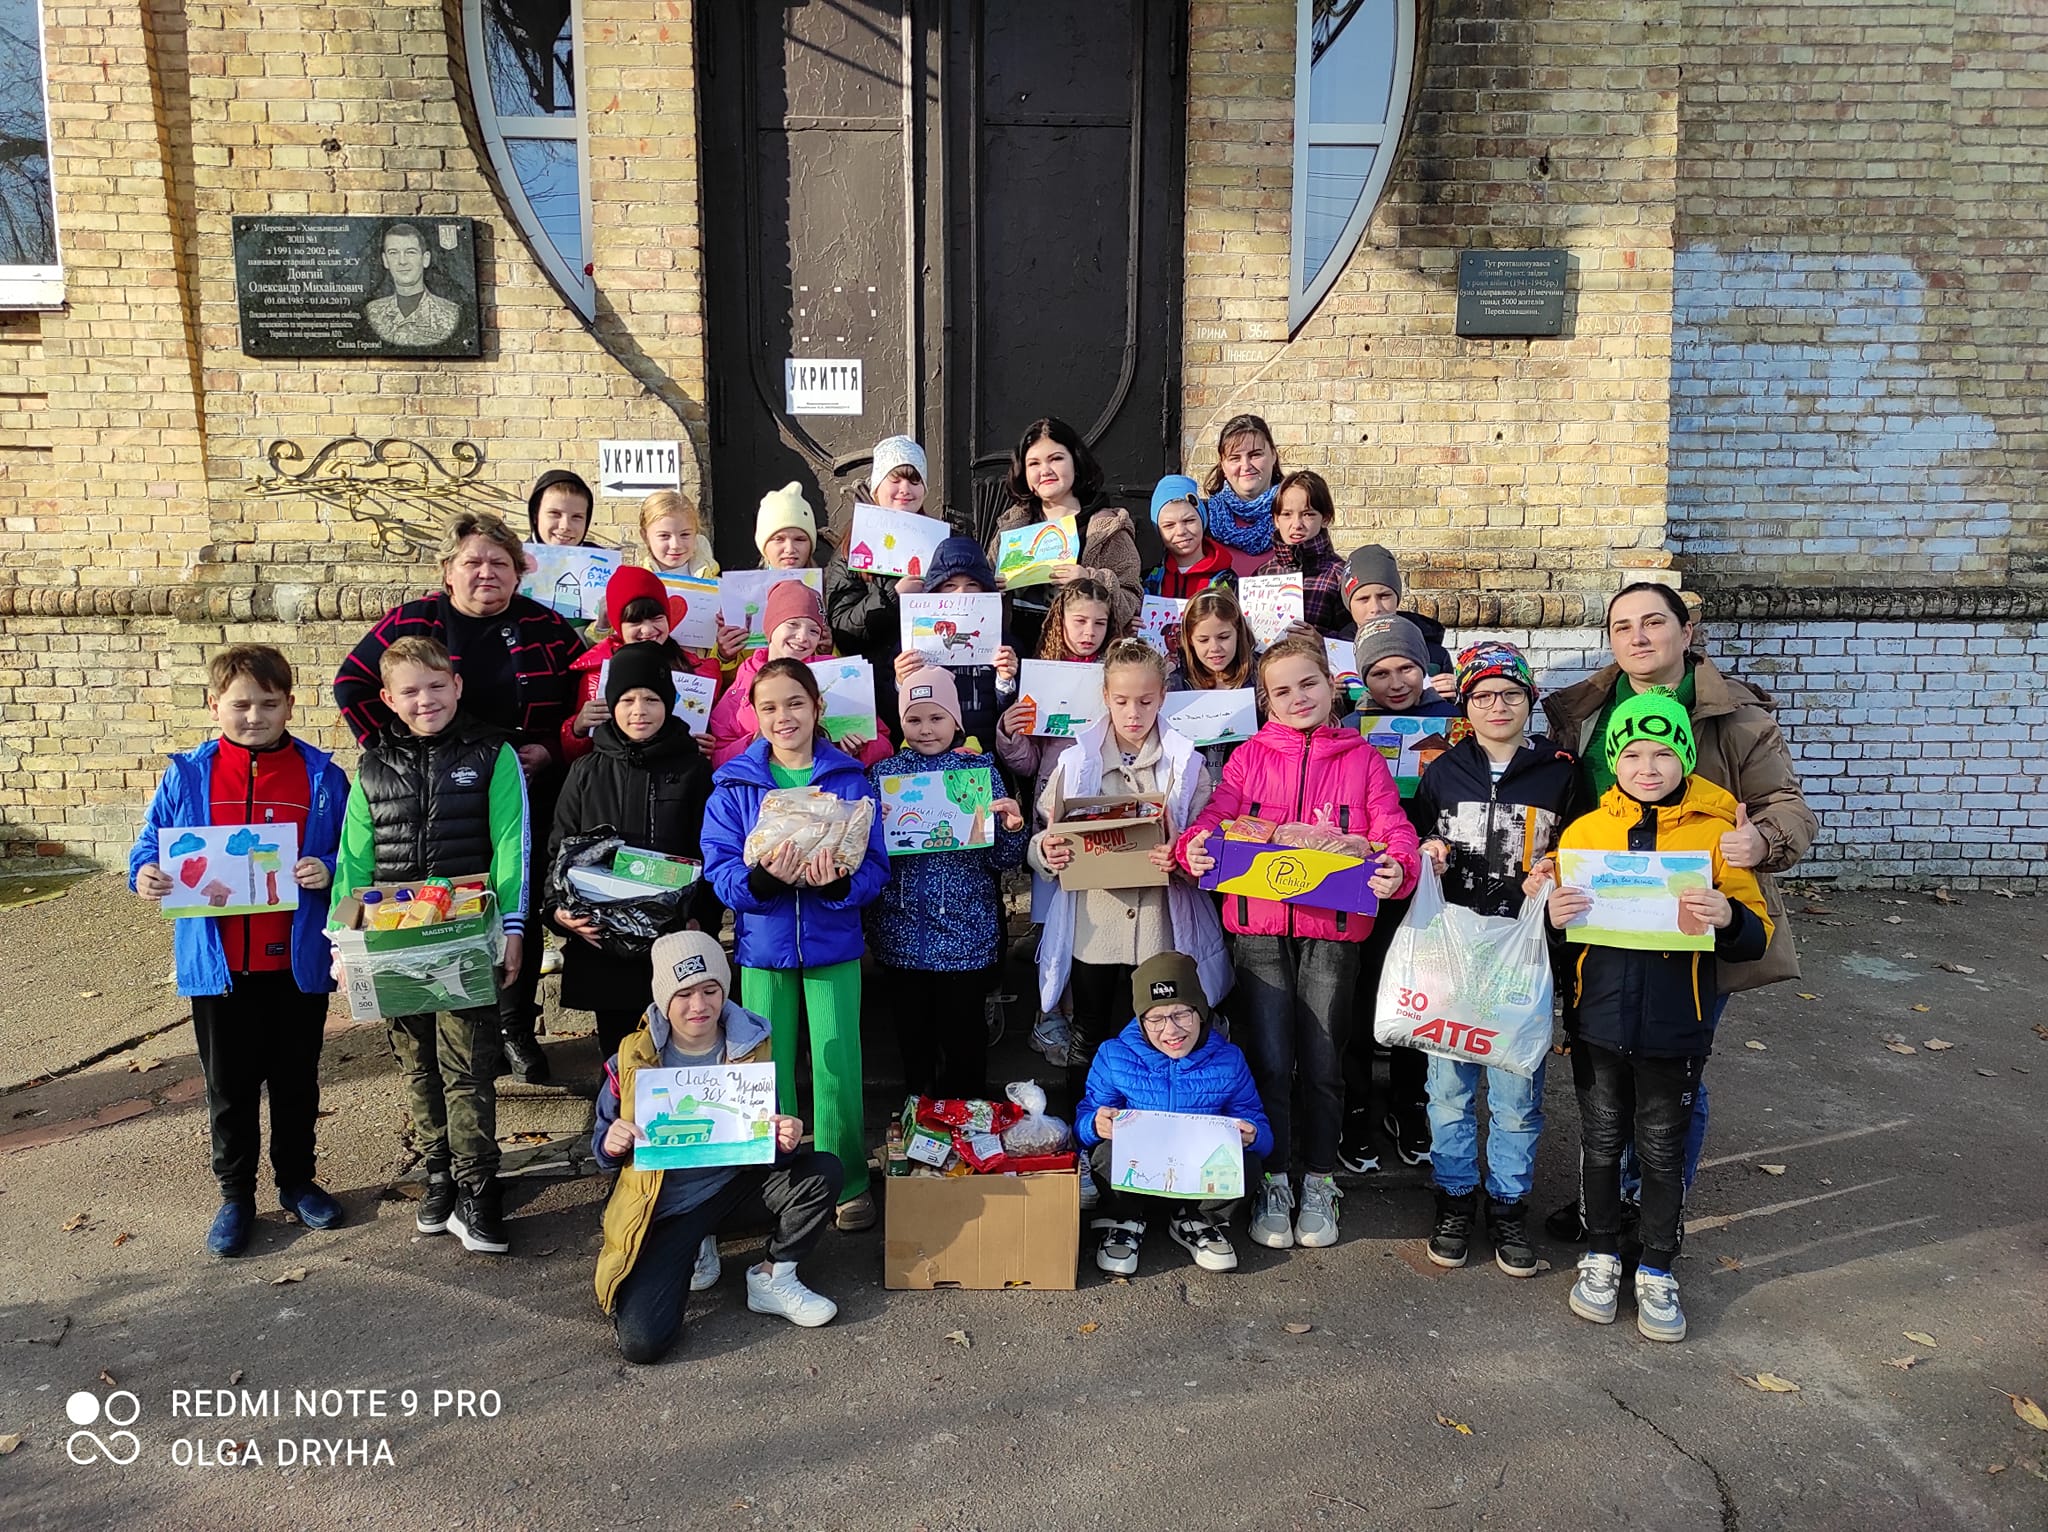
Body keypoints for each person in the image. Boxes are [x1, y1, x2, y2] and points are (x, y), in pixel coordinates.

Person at [1541, 582, 1817, 1241]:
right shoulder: (1583, 712)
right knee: (1607, 1070)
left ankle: (1653, 1207)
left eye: (1653, 622)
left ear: (1686, 632)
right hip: (1605, 922)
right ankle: (1606, 1202)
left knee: (1672, 1072)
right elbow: (1566, 808)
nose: (1638, 637)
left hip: (1691, 924)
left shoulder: (1736, 717)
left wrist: (1763, 841)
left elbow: (1788, 806)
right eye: (1622, 626)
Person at [1539, 689, 1772, 1343]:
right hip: (1599, 1021)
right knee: (1600, 1141)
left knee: (1663, 1149)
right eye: (1633, 753)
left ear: (1686, 757)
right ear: (1614, 759)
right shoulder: (1586, 833)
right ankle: (1601, 1255)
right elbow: (1561, 937)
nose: (1647, 767)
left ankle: (1658, 1267)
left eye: (1664, 753)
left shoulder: (1716, 833)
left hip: (1677, 1022)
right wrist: (1552, 919)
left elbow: (1755, 934)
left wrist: (1729, 916)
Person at [1179, 636, 1418, 1251]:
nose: (1297, 698)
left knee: (1323, 1061)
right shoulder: (1248, 756)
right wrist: (1192, 847)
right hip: (1258, 928)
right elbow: (1214, 819)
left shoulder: (1364, 758)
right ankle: (1274, 1179)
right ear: (1266, 700)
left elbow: (1393, 828)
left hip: (1334, 931)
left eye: (1308, 684)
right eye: (1281, 691)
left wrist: (1398, 866)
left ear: (1331, 684)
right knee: (1268, 1061)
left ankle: (1319, 1178)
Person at [333, 510, 583, 1084]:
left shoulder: (547, 627)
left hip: (520, 785)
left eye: (500, 562)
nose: (486, 572)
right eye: (473, 562)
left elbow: (581, 702)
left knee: (514, 895)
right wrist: (397, 756)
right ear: (449, 570)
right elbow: (352, 684)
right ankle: (443, 1023)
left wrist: (550, 749)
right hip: (438, 791)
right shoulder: (415, 620)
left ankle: (514, 1027)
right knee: (439, 898)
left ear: (518, 572)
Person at [128, 645, 351, 1258]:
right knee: (229, 1089)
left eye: (269, 704)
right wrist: (145, 873)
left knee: (296, 1081)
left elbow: (353, 852)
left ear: (289, 705)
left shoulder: (322, 777)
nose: (255, 716)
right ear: (214, 705)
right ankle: (235, 1197)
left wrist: (328, 868)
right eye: (241, 705)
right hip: (219, 967)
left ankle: (298, 1182)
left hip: (294, 963)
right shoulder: (187, 775)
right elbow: (148, 846)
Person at [331, 638, 530, 1255]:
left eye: (437, 686)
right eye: (410, 692)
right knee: (416, 1065)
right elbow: (352, 861)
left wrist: (514, 929)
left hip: (465, 937)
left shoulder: (493, 753)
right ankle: (438, 1174)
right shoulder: (371, 765)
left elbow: (512, 845)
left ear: (458, 686)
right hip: (392, 941)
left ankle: (478, 1186)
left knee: (468, 1066)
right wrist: (344, 944)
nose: (426, 700)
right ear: (388, 699)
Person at [592, 931, 843, 1364]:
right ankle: (695, 1245)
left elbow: (768, 1145)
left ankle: (772, 1277)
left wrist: (783, 1141)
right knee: (643, 1343)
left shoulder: (750, 1045)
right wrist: (612, 1143)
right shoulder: (631, 1060)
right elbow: (601, 1148)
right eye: (683, 994)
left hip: (734, 1188)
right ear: (663, 998)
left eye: (710, 990)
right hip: (666, 1209)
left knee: (823, 1171)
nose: (699, 1005)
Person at [700, 658, 889, 1231]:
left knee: (837, 1064)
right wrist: (760, 883)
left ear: (817, 707)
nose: (783, 717)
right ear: (754, 716)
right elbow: (720, 868)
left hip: (834, 944)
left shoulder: (850, 780)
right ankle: (775, 1180)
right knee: (766, 1068)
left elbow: (875, 868)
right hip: (763, 947)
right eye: (769, 708)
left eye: (795, 703)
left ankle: (847, 1180)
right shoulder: (735, 785)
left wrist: (838, 886)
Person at [1409, 642, 1579, 1276]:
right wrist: (1428, 850)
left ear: (1530, 700)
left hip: (1524, 954)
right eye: (1482, 695)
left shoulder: (1560, 771)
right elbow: (1419, 832)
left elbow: (1583, 846)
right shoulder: (1442, 769)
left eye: (1510, 694)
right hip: (1452, 951)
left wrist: (1555, 866)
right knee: (1448, 1090)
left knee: (1515, 1094)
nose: (1497, 706)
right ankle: (1454, 1198)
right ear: (1466, 705)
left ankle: (1509, 1205)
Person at [1030, 640, 1232, 1126]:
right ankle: (1085, 1132)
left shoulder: (1187, 766)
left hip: (1161, 927)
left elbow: (1206, 845)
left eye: (1144, 701)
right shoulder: (1076, 762)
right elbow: (1045, 835)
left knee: (1159, 1032)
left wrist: (1181, 857)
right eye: (1121, 701)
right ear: (1105, 697)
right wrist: (1046, 854)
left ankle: (1155, 1135)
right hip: (1094, 927)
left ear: (1162, 697)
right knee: (1090, 1029)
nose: (1133, 713)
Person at [548, 642, 718, 1062]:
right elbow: (559, 850)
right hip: (604, 944)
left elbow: (711, 850)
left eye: (651, 699)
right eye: (627, 700)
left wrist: (703, 918)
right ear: (611, 704)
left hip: (674, 939)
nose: (639, 710)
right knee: (621, 1055)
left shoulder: (693, 770)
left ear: (670, 704)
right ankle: (621, 1107)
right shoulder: (585, 771)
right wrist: (557, 911)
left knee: (682, 1051)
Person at [866, 665, 1028, 1098]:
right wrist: (871, 826)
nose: (925, 729)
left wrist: (1012, 828)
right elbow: (868, 859)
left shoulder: (979, 773)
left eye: (937, 717)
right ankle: (919, 1124)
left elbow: (1002, 860)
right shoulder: (883, 777)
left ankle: (967, 1121)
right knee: (913, 1044)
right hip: (901, 935)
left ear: (956, 720)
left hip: (965, 937)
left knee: (965, 1043)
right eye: (914, 719)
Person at [1338, 614, 1459, 1174]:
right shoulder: (1349, 728)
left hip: (1431, 883)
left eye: (1406, 668)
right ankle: (1357, 1104)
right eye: (1379, 672)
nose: (1395, 683)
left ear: (1425, 668)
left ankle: (1411, 1103)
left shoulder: (1453, 726)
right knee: (1360, 997)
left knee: (1418, 994)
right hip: (1364, 880)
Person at [1074, 953, 1273, 1275]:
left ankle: (1197, 1220)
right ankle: (1124, 1219)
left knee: (1247, 1162)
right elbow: (1084, 1120)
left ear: (1201, 1012)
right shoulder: (1114, 1055)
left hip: (1199, 1180)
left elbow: (1258, 1124)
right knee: (1104, 1153)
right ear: (1141, 1020)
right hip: (1138, 1178)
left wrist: (1253, 1134)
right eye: (1156, 1018)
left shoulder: (1229, 1059)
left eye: (1182, 1014)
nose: (1171, 1029)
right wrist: (1095, 1124)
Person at [996, 576, 1119, 1066]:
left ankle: (1085, 1019)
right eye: (1079, 621)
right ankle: (1050, 1016)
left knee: (1094, 920)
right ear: (1059, 621)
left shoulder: (1116, 674)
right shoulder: (1041, 677)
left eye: (1099, 624)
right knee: (1052, 923)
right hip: (1054, 813)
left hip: (1104, 807)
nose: (1088, 632)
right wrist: (1010, 733)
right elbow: (1028, 763)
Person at [826, 436, 956, 736]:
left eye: (914, 480)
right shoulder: (852, 548)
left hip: (932, 690)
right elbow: (842, 628)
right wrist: (893, 596)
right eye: (895, 480)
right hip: (873, 692)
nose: (905, 489)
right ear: (876, 487)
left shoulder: (941, 543)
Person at [987, 416, 1143, 653]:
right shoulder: (1012, 527)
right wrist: (989, 588)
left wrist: (1090, 579)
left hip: (1081, 663)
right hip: (1016, 658)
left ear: (1076, 463)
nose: (1045, 470)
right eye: (1034, 463)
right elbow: (978, 600)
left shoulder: (1107, 529)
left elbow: (1131, 602)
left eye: (1056, 459)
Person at [708, 580, 889, 770]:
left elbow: (883, 742)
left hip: (823, 782)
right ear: (770, 626)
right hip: (763, 785)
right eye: (793, 624)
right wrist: (753, 744)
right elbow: (717, 755)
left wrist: (861, 749)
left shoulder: (837, 674)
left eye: (814, 631)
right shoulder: (747, 677)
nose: (802, 637)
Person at [560, 564, 721, 765]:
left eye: (657, 618)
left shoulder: (698, 671)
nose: (647, 630)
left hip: (678, 777)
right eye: (635, 622)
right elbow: (577, 758)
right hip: (617, 778)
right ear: (618, 626)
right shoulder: (596, 675)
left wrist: (709, 748)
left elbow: (716, 732)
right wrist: (577, 728)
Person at [886, 536, 1019, 750]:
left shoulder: (1004, 645)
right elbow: (891, 713)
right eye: (950, 585)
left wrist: (1005, 682)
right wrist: (900, 683)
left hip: (983, 755)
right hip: (927, 754)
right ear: (935, 591)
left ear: (985, 589)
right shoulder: (910, 641)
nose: (961, 593)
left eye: (972, 584)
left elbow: (1012, 715)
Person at [1167, 585, 1259, 780]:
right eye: (1203, 640)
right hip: (1193, 787)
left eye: (1223, 637)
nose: (1215, 647)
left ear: (1238, 632)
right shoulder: (1175, 684)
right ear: (1189, 640)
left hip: (1251, 783)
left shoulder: (1261, 677)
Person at [1340, 546, 1455, 698]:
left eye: (1384, 596)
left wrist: (1458, 693)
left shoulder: (1434, 655)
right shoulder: (1334, 656)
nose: (1375, 608)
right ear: (1349, 605)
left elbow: (1451, 709)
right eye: (1363, 599)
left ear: (1397, 598)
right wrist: (1329, 697)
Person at [1254, 471, 1349, 636]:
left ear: (1325, 518)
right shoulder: (1262, 575)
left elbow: (1354, 637)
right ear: (1276, 520)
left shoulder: (1339, 575)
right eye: (1287, 514)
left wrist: (1322, 640)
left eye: (1308, 514)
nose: (1297, 524)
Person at [1199, 413, 1283, 576]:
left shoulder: (1297, 514)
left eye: (1255, 455)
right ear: (1223, 465)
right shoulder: (1203, 520)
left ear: (1273, 455)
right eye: (1235, 458)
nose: (1246, 466)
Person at [363, 222, 461, 347]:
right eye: (393, 253)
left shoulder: (450, 313)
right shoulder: (372, 312)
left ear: (425, 259)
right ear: (385, 260)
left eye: (410, 252)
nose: (402, 261)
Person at [1145, 474, 1234, 599]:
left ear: (1202, 521)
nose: (1181, 531)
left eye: (1189, 521)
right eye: (1169, 525)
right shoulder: (1151, 580)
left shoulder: (1225, 580)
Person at [638, 489, 719, 578]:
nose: (675, 545)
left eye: (685, 534)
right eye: (664, 535)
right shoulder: (636, 583)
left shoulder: (717, 583)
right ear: (645, 536)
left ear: (695, 533)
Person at [755, 482, 821, 570]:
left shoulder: (831, 578)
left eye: (799, 539)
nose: (790, 550)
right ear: (764, 546)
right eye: (779, 539)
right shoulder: (744, 579)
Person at [528, 469, 596, 548]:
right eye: (555, 513)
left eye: (577, 516)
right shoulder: (517, 555)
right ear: (535, 516)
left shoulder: (603, 555)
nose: (565, 526)